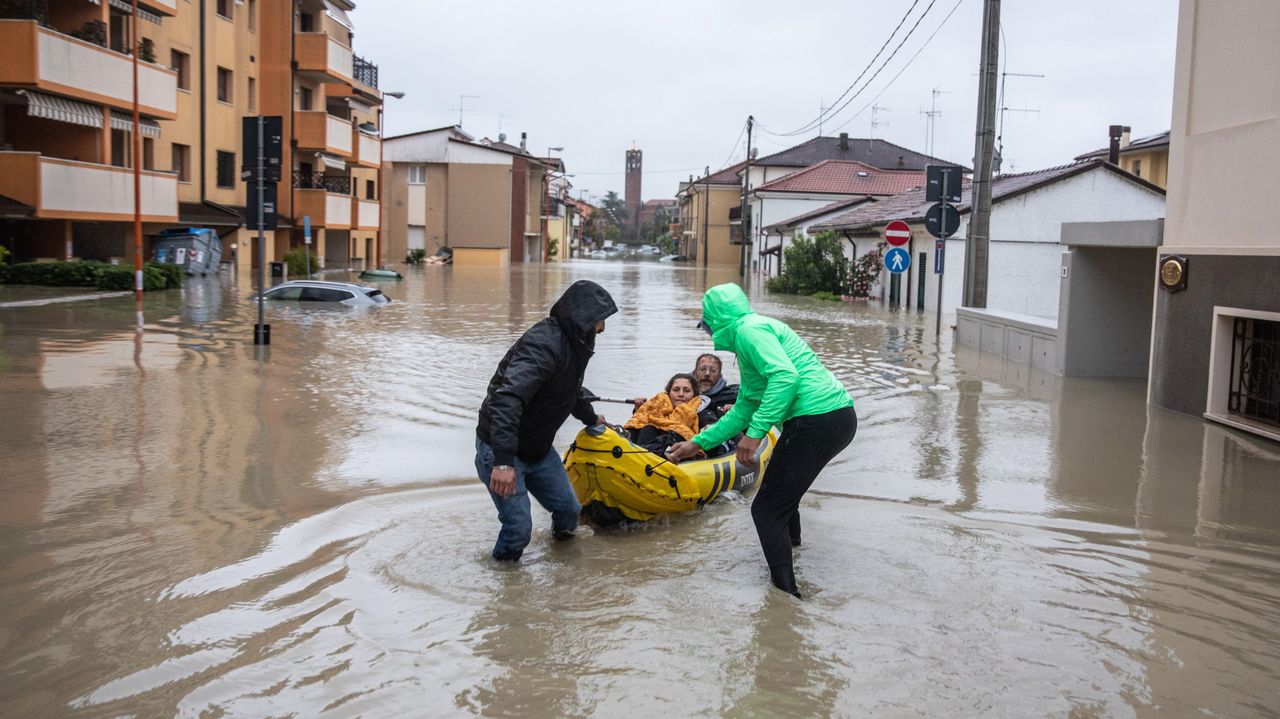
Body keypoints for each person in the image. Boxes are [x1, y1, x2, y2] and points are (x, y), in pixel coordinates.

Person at [666, 283, 857, 598]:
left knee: (765, 510)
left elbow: (786, 377)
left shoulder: (749, 332)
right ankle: (792, 550)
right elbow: (744, 408)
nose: (708, 331)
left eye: (707, 324)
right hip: (832, 418)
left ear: (717, 319)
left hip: (817, 420)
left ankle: (785, 598)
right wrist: (697, 443)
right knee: (783, 496)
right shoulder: (752, 334)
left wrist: (754, 435)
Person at [475, 279, 618, 561]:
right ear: (584, 317)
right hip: (502, 450)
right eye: (601, 320)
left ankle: (562, 561)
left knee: (569, 510)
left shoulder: (578, 343)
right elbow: (507, 399)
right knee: (518, 529)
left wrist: (591, 418)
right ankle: (505, 583)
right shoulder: (543, 345)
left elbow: (570, 389)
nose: (603, 327)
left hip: (538, 450)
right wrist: (503, 461)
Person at [623, 373, 701, 453]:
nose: (681, 394)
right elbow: (639, 421)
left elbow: (709, 424)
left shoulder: (701, 411)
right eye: (676, 390)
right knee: (647, 428)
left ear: (694, 394)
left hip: (676, 451)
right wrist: (637, 410)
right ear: (669, 393)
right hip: (649, 448)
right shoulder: (656, 405)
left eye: (686, 391)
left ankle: (637, 452)